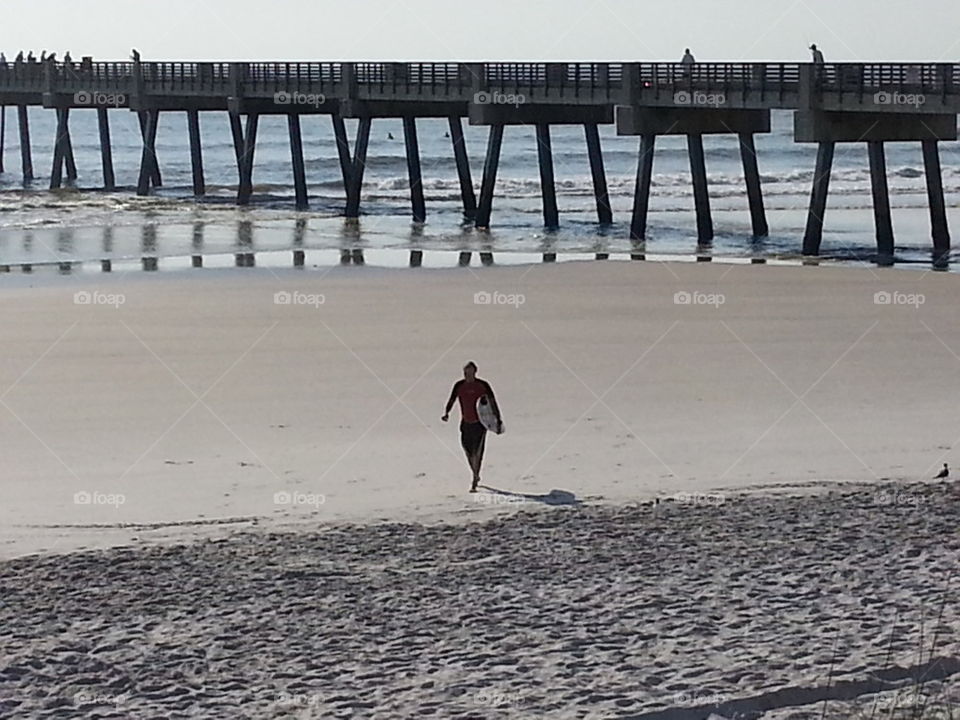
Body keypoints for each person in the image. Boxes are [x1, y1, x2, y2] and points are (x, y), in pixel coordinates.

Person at [442, 361, 502, 493]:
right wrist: (447, 412)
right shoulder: (459, 385)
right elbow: (452, 399)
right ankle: (475, 472)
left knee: (478, 451)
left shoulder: (483, 385)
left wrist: (497, 419)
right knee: (467, 450)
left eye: (469, 373)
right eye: (465, 373)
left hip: (480, 423)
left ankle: (475, 478)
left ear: (475, 372)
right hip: (465, 422)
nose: (466, 376)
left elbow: (492, 402)